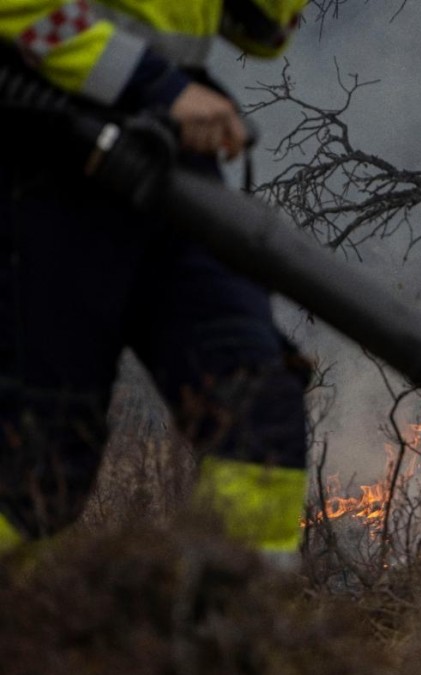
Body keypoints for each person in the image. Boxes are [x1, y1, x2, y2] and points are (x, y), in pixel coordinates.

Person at [0, 0, 311, 560]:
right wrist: (155, 85)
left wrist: (166, 91)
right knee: (37, 466)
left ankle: (233, 637)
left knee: (257, 416)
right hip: (44, 136)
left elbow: (265, 29)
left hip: (172, 141)